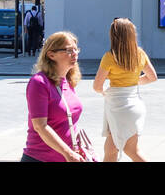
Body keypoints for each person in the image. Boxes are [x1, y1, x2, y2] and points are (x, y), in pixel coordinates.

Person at [93, 17, 157, 162]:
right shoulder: (140, 53)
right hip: (135, 105)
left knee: (129, 150)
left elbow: (97, 86)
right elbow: (152, 77)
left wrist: (105, 91)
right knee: (111, 150)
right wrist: (133, 82)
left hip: (117, 107)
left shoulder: (109, 57)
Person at [22, 31, 87, 162]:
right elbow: (40, 126)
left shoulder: (68, 82)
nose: (75, 54)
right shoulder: (39, 82)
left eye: (76, 49)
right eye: (69, 50)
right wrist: (68, 153)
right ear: (51, 54)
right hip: (41, 158)